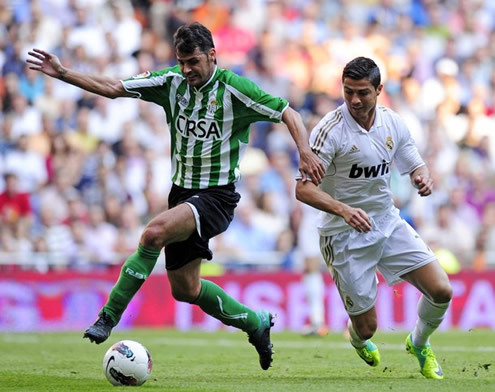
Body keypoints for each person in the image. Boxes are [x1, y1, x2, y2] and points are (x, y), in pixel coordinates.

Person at [27, 22, 324, 371]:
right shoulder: (171, 83)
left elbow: (289, 112)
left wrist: (304, 152)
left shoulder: (234, 89)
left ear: (212, 55)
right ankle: (255, 323)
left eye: (193, 62)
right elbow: (112, 87)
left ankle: (108, 317)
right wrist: (63, 73)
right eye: (181, 62)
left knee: (153, 233)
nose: (186, 70)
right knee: (186, 289)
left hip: (216, 197)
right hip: (182, 194)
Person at [295, 57, 452, 379]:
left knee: (442, 290)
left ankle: (419, 342)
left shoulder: (393, 123)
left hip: (386, 221)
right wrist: (344, 210)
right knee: (367, 328)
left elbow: (414, 164)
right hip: (342, 233)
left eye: (363, 92)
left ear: (379, 90)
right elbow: (304, 190)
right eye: (348, 91)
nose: (354, 100)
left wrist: (422, 178)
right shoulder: (329, 130)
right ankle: (357, 339)